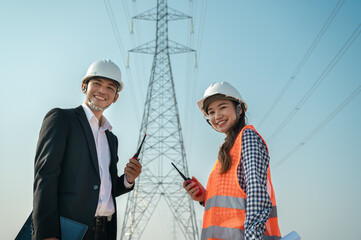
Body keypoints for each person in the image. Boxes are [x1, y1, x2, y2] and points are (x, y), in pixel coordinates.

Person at [32, 59, 142, 240]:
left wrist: (128, 180)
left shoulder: (111, 138)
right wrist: (47, 234)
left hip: (104, 231)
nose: (102, 91)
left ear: (115, 97)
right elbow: (45, 177)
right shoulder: (62, 119)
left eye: (110, 87)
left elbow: (101, 190)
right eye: (97, 84)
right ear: (84, 86)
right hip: (67, 230)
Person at [183, 82, 282, 240]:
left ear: (239, 109)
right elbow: (231, 206)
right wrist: (205, 198)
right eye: (211, 112)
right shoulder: (226, 150)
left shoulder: (247, 138)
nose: (217, 116)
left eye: (222, 107)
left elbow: (256, 194)